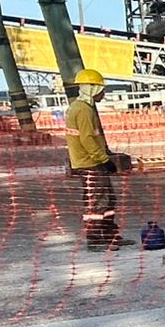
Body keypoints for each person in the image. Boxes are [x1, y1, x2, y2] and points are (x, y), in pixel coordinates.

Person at [64, 68, 129, 250]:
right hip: (90, 163)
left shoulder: (83, 107)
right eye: (101, 89)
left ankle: (109, 236)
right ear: (92, 88)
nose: (103, 93)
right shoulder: (83, 110)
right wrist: (104, 160)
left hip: (90, 161)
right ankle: (95, 240)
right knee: (97, 202)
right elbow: (87, 138)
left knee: (107, 201)